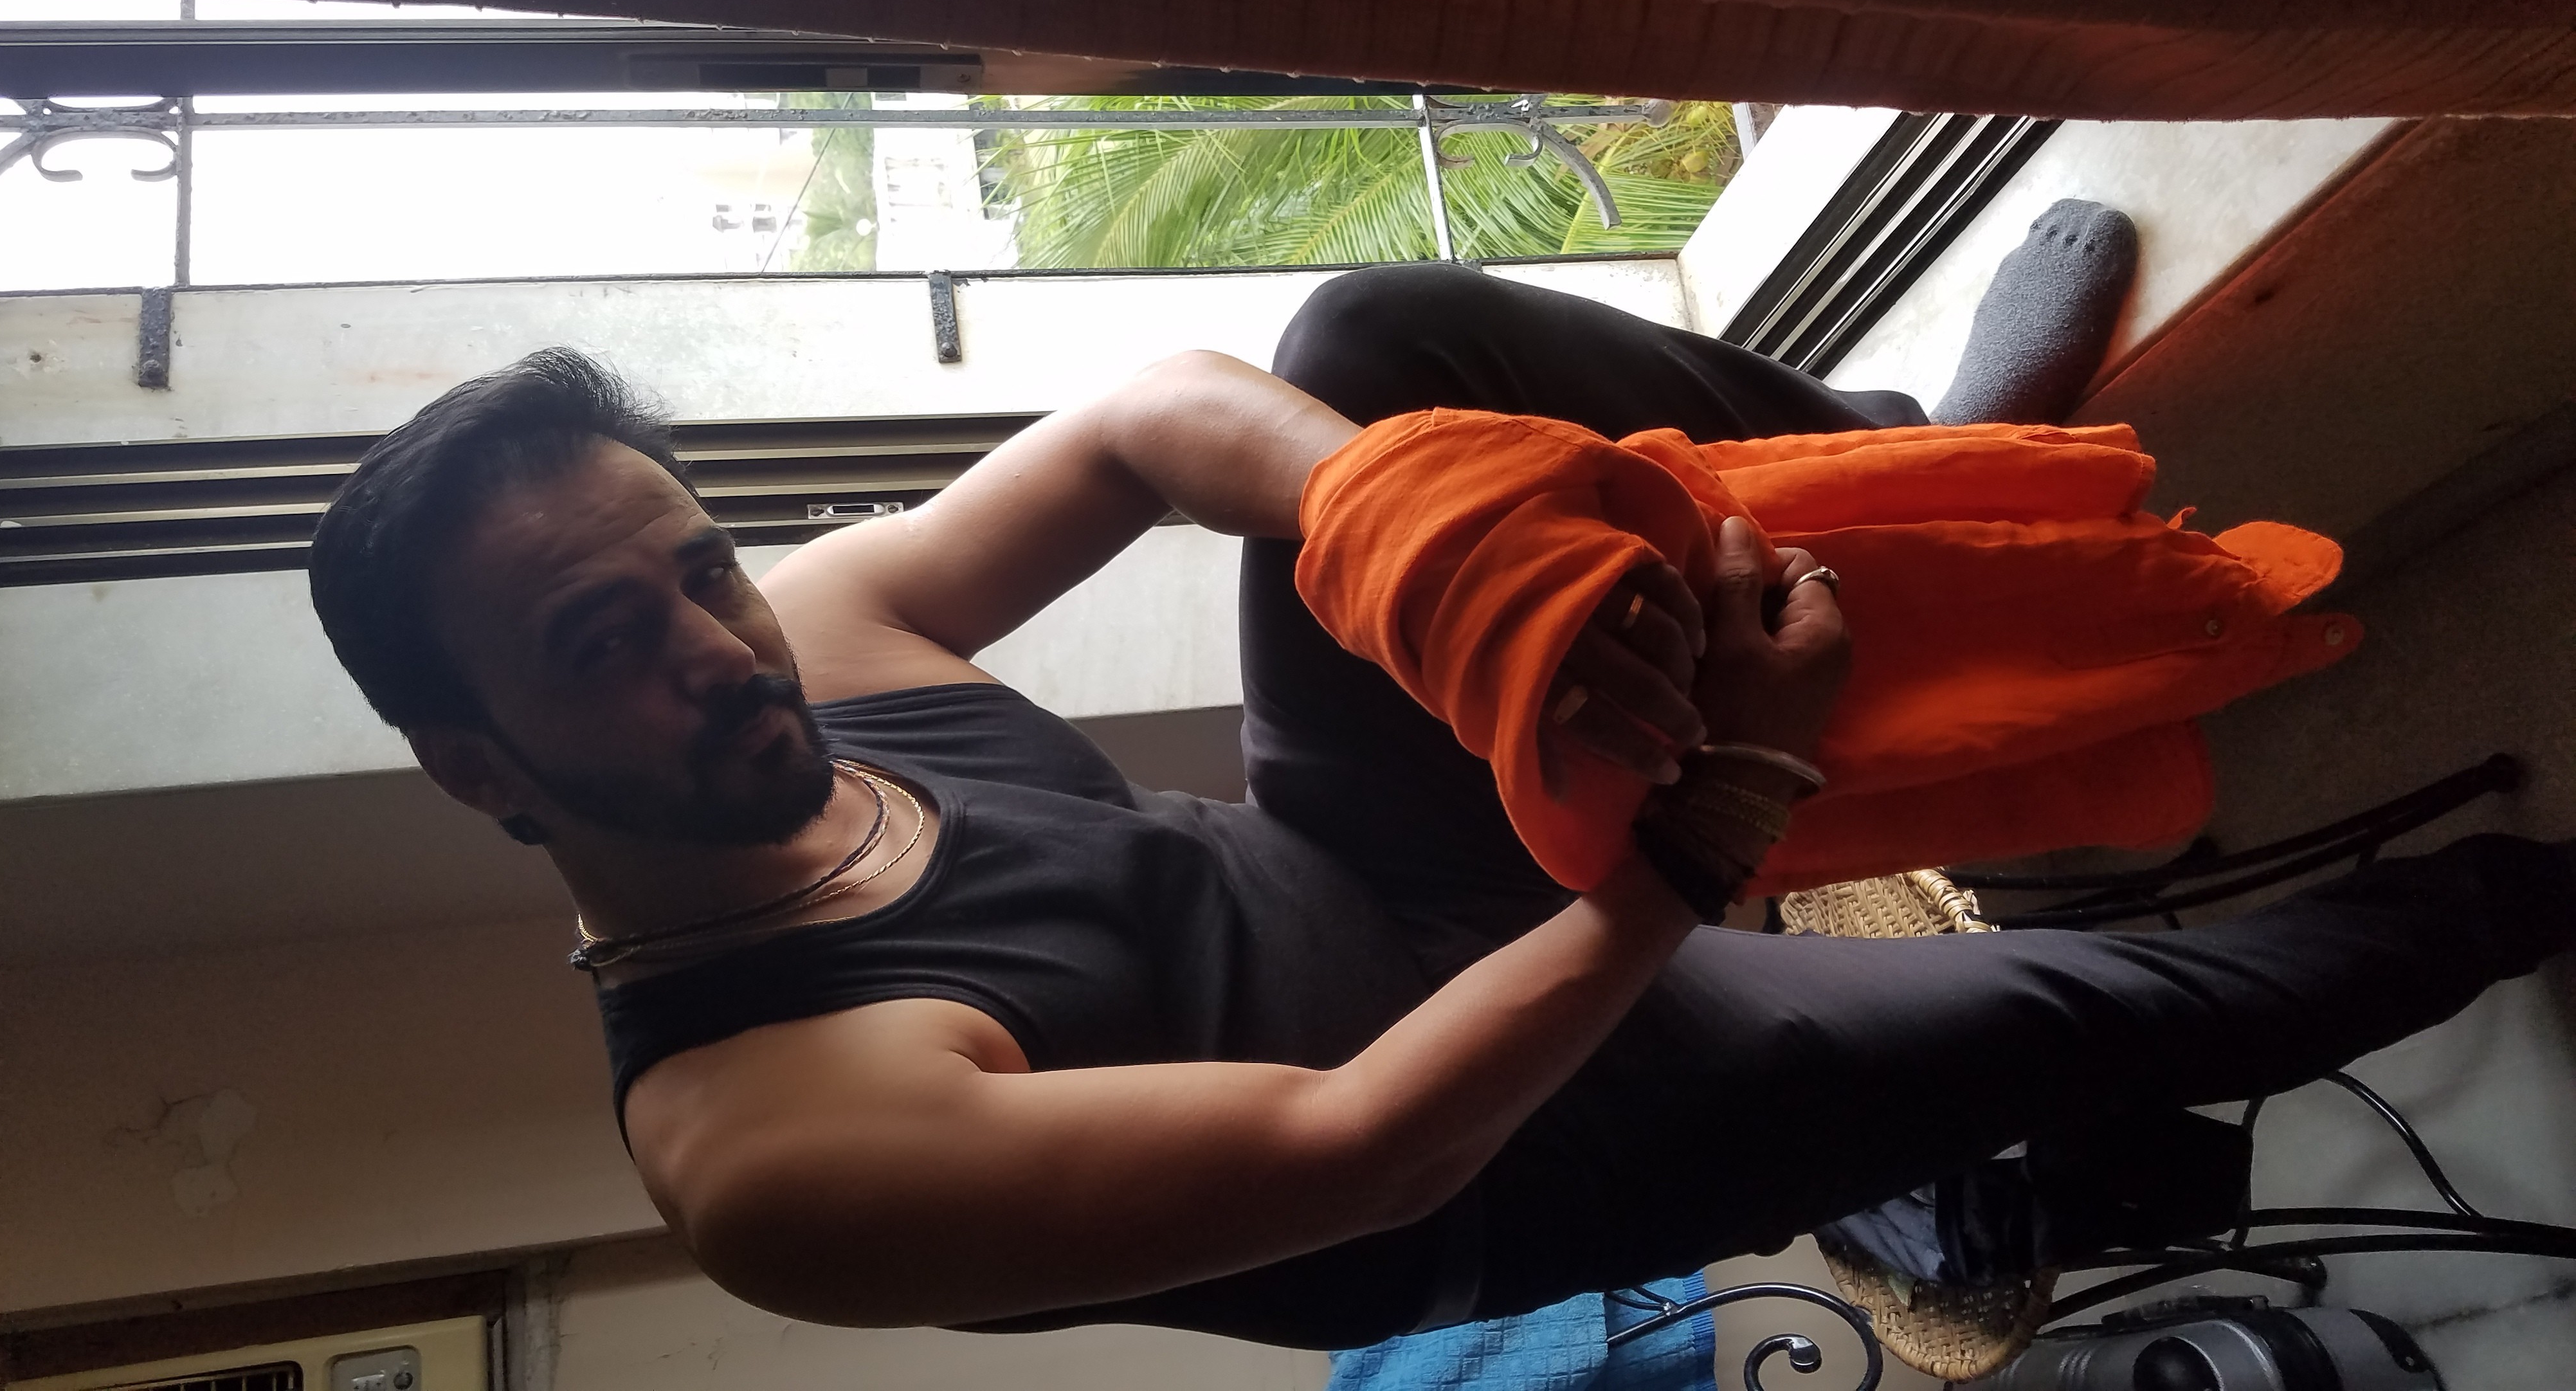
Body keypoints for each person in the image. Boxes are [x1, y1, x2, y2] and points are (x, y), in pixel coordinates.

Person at [307, 246, 2573, 1351]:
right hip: (1509, 1133)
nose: (719, 647)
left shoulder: (801, 634)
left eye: (700, 568)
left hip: (1350, 857)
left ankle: (1885, 472)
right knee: (2103, 1007)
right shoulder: (766, 1149)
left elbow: (1145, 424)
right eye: (604, 643)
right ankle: (2532, 888)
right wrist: (1721, 806)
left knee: (1373, 360)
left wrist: (1425, 545)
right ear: (477, 762)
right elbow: (1364, 1144)